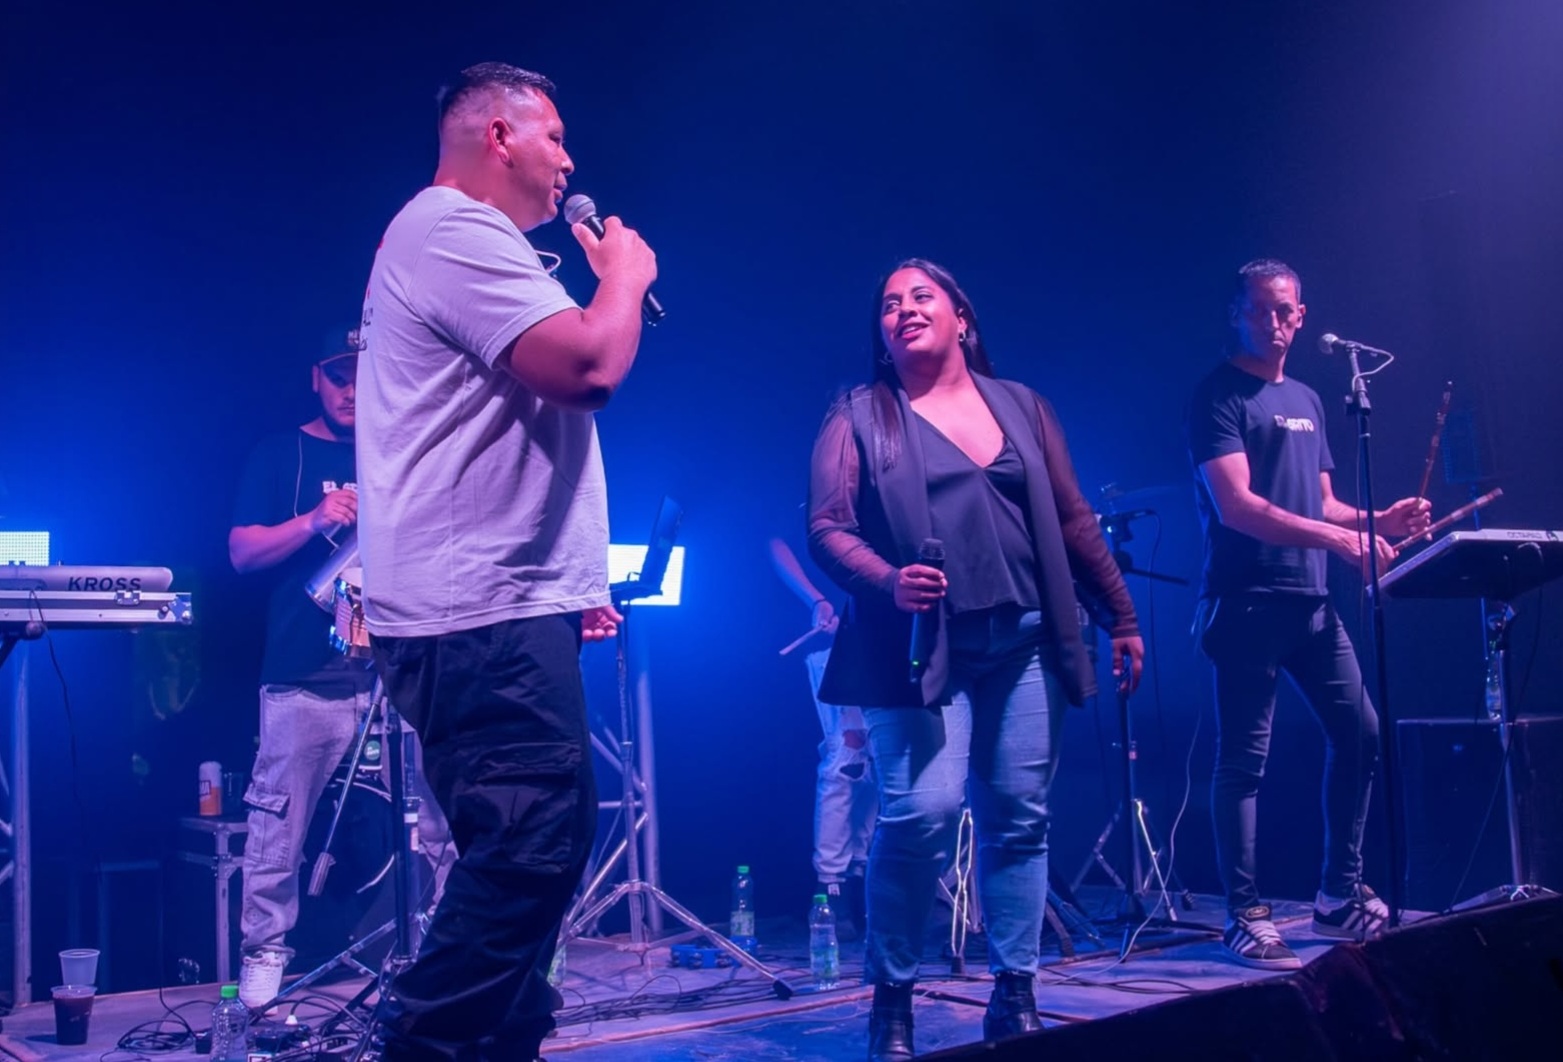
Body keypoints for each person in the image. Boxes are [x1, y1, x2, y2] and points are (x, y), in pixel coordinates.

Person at [352, 61, 657, 1062]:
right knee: (531, 848)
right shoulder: (453, 229)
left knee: (533, 846)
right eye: (553, 136)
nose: (568, 159)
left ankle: (498, 1045)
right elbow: (587, 367)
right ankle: (422, 1044)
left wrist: (572, 586)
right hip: (477, 612)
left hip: (496, 604)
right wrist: (624, 277)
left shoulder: (457, 240)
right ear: (497, 135)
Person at [807, 258, 1144, 1061]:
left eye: (921, 296)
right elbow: (826, 527)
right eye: (889, 304)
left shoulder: (1021, 405)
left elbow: (1071, 517)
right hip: (915, 650)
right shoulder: (858, 416)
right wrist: (888, 579)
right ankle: (891, 1000)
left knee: (1018, 817)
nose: (903, 309)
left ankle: (1014, 993)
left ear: (962, 317)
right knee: (920, 814)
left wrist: (1120, 614)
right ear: (880, 334)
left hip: (1024, 638)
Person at [1186, 258, 1432, 970]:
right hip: (1245, 602)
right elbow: (1236, 507)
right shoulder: (1217, 395)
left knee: (1361, 734)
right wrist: (1338, 541)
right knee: (1244, 761)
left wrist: (1377, 520)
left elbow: (1322, 504)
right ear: (1236, 313)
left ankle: (1336, 895)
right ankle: (1244, 913)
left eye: (1286, 310)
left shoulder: (1307, 398)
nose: (1275, 321)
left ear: (1301, 315)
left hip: (1311, 602)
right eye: (1260, 309)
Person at [229, 329, 455, 1012]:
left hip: (399, 669)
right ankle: (264, 957)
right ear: (316, 379)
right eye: (337, 376)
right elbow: (241, 553)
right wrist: (312, 520)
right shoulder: (280, 453)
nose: (352, 389)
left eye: (362, 373)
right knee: (278, 823)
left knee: (443, 812)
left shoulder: (399, 448)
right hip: (307, 675)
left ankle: (453, 952)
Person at [769, 537, 876, 941]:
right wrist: (815, 599)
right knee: (846, 760)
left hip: (878, 630)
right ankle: (830, 886)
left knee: (878, 763)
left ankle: (859, 874)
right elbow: (775, 540)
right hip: (830, 636)